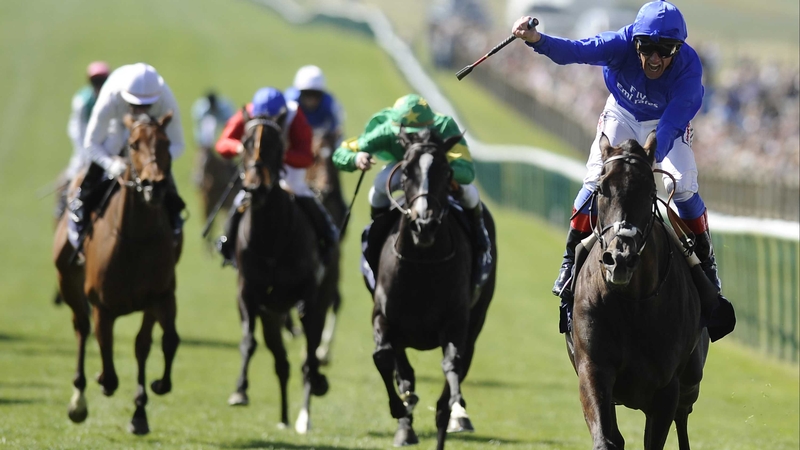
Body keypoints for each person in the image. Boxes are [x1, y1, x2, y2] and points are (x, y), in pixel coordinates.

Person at [511, 0, 734, 339]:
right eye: (647, 48)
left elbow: (675, 119)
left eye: (666, 50)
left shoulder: (689, 68)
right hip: (622, 115)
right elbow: (575, 51)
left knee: (684, 185)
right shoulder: (619, 43)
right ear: (636, 42)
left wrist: (654, 148)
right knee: (596, 179)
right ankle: (571, 258)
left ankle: (706, 260)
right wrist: (537, 40)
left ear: (679, 48)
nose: (655, 59)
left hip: (666, 124)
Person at [331, 93, 492, 291]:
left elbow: (467, 171)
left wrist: (441, 172)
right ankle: (376, 237)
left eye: (421, 131)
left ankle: (481, 238)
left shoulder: (444, 127)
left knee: (470, 193)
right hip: (406, 168)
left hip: (438, 167)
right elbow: (340, 153)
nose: (417, 138)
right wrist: (356, 159)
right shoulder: (386, 131)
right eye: (410, 133)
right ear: (398, 129)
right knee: (378, 187)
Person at [214, 87, 339, 266]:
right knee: (244, 195)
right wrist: (240, 148)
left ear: (282, 114)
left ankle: (327, 234)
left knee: (300, 191)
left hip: (288, 166)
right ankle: (227, 240)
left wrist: (278, 155)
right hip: (258, 165)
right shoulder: (249, 112)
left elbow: (306, 157)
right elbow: (222, 144)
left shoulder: (295, 116)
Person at [68, 62, 186, 251]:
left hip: (150, 145)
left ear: (157, 99)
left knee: (168, 189)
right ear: (124, 97)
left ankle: (175, 224)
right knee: (92, 179)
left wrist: (152, 162)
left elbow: (179, 144)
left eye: (147, 106)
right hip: (115, 134)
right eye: (135, 105)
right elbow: (91, 143)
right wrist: (110, 165)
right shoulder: (110, 96)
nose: (141, 111)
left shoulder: (166, 99)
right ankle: (79, 221)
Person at [56, 62, 111, 220]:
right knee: (72, 173)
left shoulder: (112, 98)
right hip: (85, 145)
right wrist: (87, 154)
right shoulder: (82, 101)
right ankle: (62, 210)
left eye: (102, 80)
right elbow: (77, 131)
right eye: (96, 81)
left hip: (107, 144)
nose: (99, 85)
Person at [284, 65, 344, 149]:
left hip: (319, 135)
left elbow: (336, 128)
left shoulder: (330, 104)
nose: (311, 99)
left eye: (315, 95)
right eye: (306, 94)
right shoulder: (290, 102)